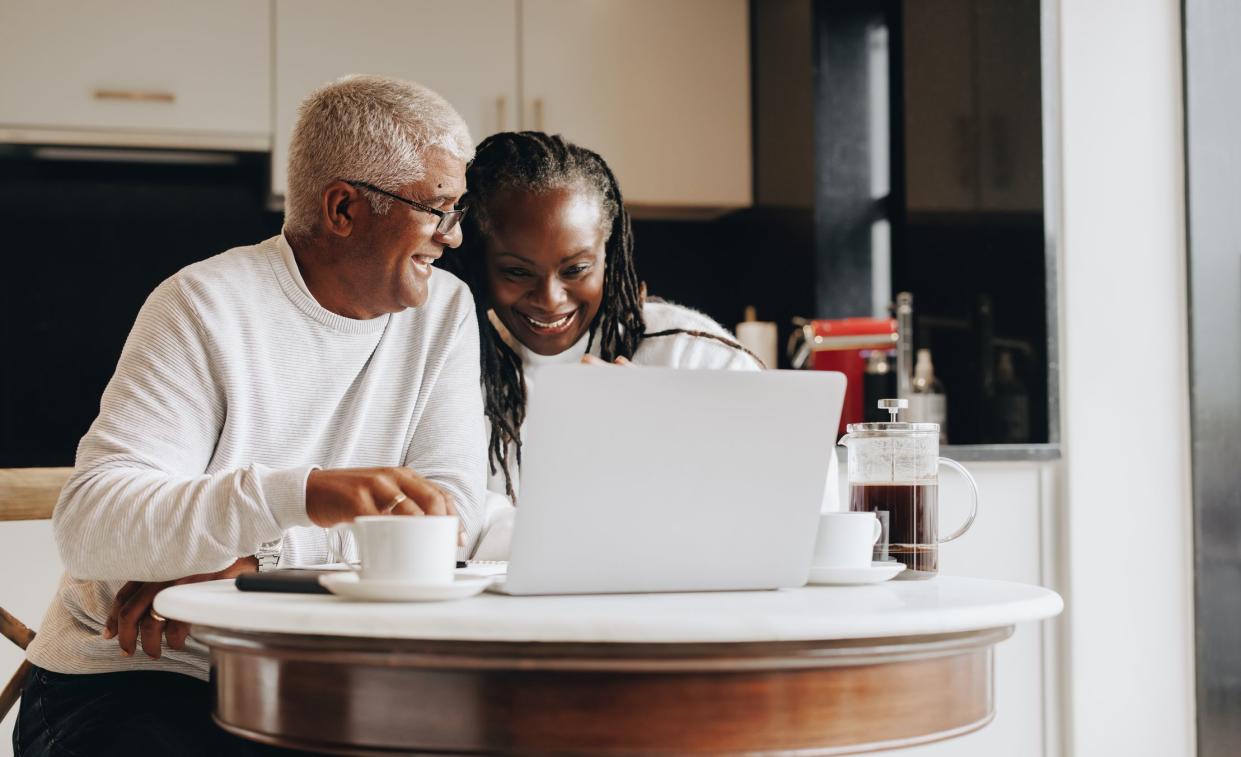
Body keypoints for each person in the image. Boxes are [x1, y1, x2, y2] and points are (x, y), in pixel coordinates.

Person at [14, 75, 486, 756]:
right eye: (437, 207)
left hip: (322, 684)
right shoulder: (204, 304)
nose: (454, 235)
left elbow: (451, 520)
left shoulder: (443, 313)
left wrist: (260, 558)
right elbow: (90, 523)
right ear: (344, 207)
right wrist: (306, 494)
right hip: (143, 676)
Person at [441, 131, 766, 516]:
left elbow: (782, 506)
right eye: (516, 272)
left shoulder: (693, 356)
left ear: (608, 256)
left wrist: (665, 435)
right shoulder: (450, 363)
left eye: (576, 269)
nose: (550, 298)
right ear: (478, 263)